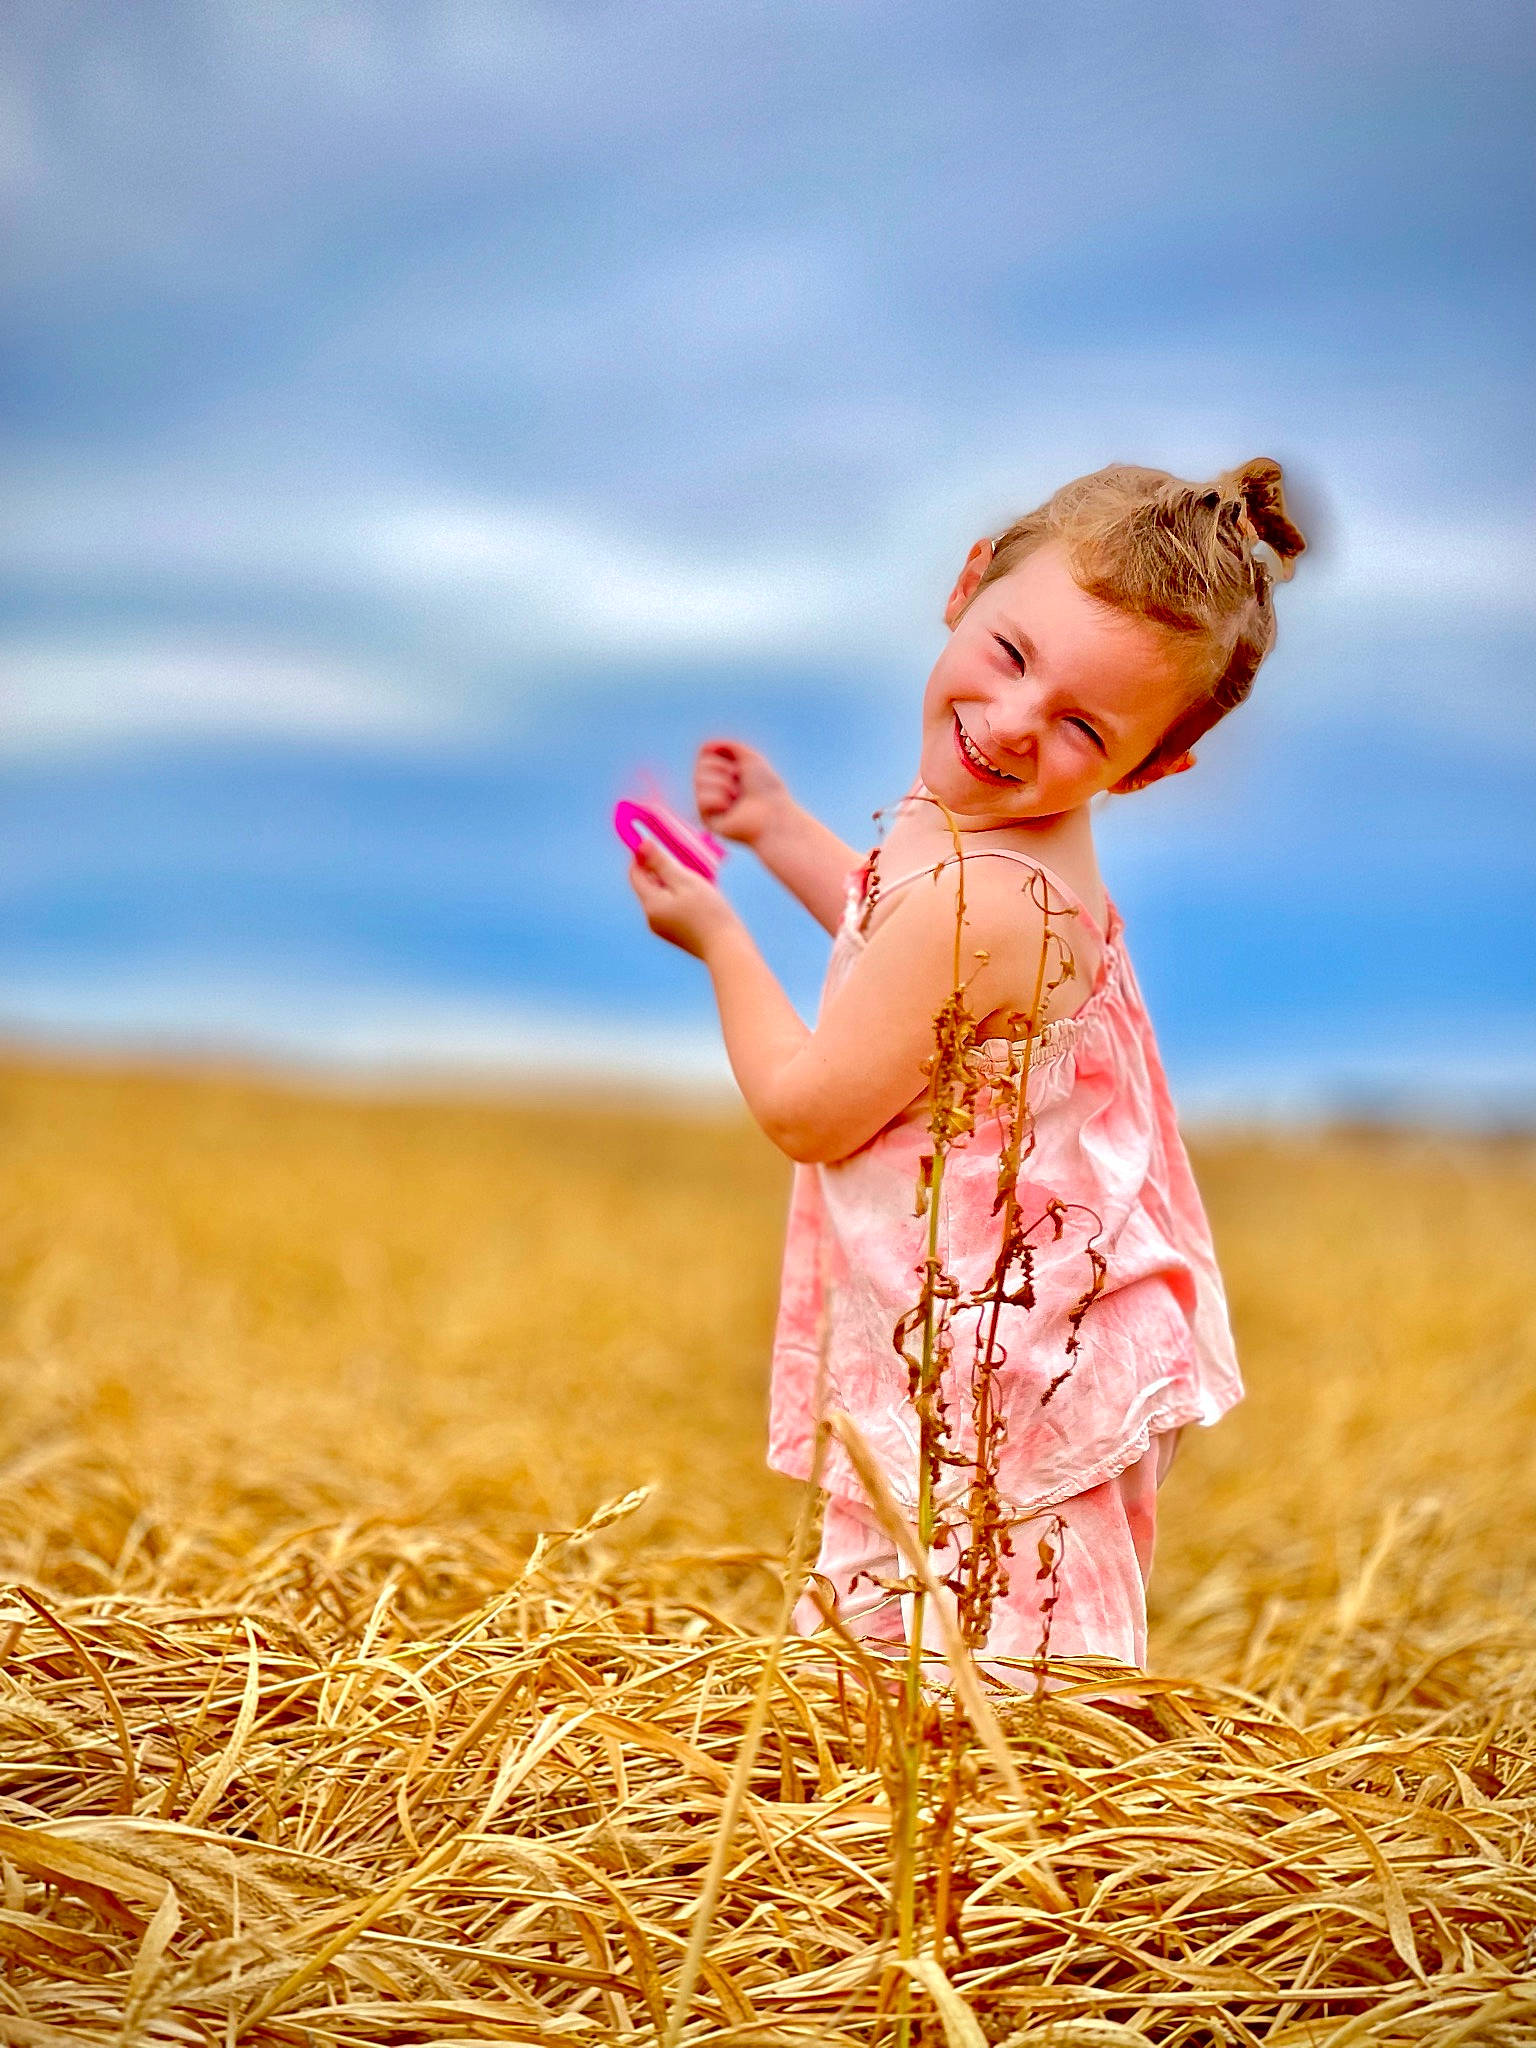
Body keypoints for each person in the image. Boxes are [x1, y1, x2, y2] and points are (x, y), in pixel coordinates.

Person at [626, 459, 1306, 1683]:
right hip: (1017, 1348)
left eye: (1085, 726)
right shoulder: (1008, 844)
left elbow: (808, 1109)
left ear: (1148, 768)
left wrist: (720, 937)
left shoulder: (987, 898)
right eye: (1010, 654)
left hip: (989, 1397)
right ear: (966, 585)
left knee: (978, 1709)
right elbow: (905, 955)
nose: (1011, 722)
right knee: (949, 1703)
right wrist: (781, 829)